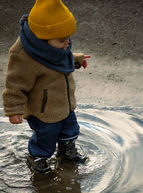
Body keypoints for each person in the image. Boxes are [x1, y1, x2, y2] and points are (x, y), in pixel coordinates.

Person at [2, 0, 90, 174]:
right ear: (41, 39)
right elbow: (15, 84)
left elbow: (58, 59)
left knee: (70, 128)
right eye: (62, 41)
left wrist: (76, 59)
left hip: (64, 103)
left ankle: (66, 151)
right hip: (42, 111)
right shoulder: (23, 55)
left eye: (68, 39)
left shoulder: (54, 46)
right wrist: (13, 109)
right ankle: (37, 158)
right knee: (46, 136)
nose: (66, 44)